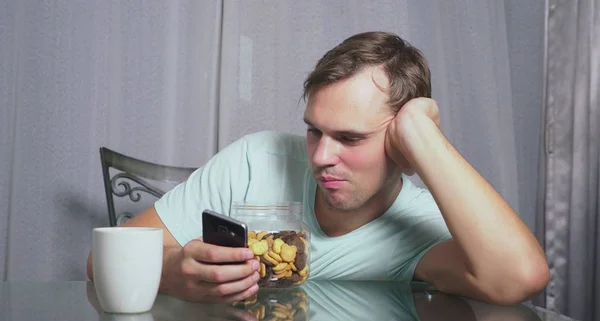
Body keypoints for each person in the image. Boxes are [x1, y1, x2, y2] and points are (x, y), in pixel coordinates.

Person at [87, 31, 550, 304]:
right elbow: (98, 264)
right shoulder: (255, 159)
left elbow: (521, 277)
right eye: (314, 131)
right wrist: (174, 274)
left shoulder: (421, 225)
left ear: (400, 142)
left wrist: (422, 134)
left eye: (350, 138)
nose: (321, 156)